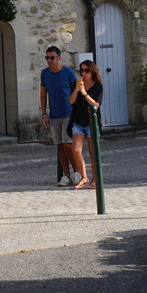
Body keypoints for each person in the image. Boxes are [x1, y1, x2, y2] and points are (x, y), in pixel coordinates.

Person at [39, 47, 80, 187]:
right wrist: (44, 114)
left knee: (68, 145)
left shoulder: (67, 72)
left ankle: (77, 173)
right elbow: (43, 94)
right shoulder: (44, 74)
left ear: (59, 58)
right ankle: (66, 175)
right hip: (54, 114)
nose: (49, 61)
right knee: (60, 146)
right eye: (47, 58)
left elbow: (76, 90)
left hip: (68, 113)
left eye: (52, 58)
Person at [69, 61, 103, 190]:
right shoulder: (77, 84)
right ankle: (84, 177)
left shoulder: (98, 86)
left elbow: (95, 104)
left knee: (92, 151)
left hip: (91, 123)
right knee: (76, 149)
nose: (83, 73)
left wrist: (84, 93)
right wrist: (77, 90)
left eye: (86, 71)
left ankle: (95, 179)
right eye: (81, 70)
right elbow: (71, 101)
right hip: (78, 121)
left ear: (92, 71)